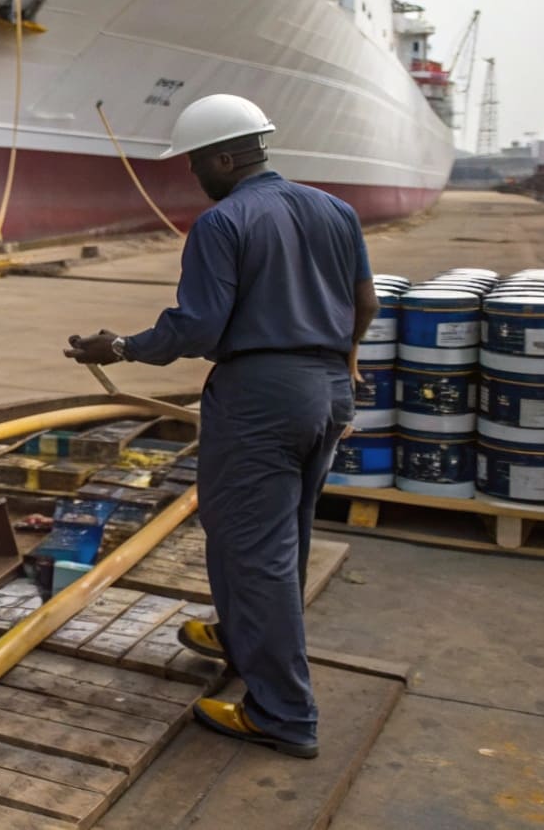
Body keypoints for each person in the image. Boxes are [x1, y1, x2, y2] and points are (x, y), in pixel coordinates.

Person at [64, 93, 375, 759]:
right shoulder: (335, 209)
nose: (192, 174)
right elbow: (366, 302)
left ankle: (283, 713)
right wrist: (344, 363)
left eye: (196, 162)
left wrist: (119, 347)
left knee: (250, 548)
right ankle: (242, 639)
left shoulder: (222, 221)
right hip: (327, 391)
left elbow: (198, 327)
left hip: (262, 397)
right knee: (283, 536)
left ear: (226, 158)